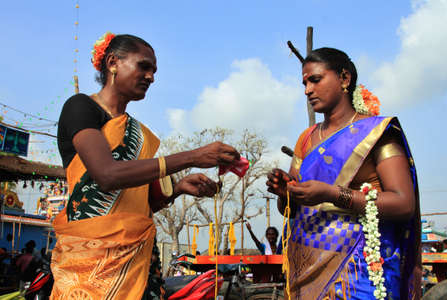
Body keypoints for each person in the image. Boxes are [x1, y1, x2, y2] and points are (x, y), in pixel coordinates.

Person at [51, 32, 240, 300]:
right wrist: (191, 156)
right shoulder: (81, 107)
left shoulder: (139, 133)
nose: (151, 77)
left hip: (137, 262)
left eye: (154, 70)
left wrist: (177, 189)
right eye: (144, 66)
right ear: (113, 62)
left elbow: (138, 203)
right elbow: (107, 175)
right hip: (90, 262)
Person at [267, 48, 421, 299]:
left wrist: (331, 193)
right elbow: (292, 209)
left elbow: (403, 203)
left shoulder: (376, 134)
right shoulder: (306, 140)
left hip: (359, 271)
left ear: (344, 79)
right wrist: (287, 194)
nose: (307, 90)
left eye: (315, 80)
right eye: (304, 83)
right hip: (307, 269)